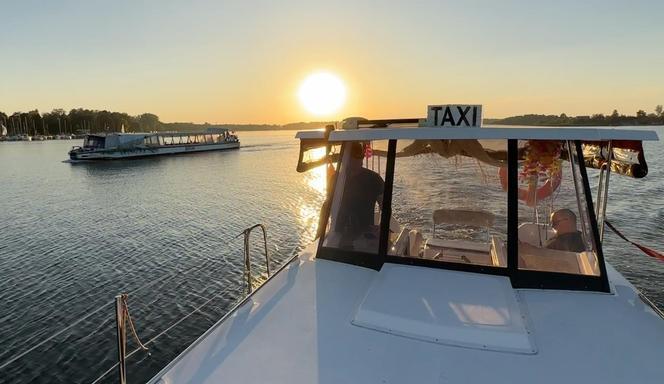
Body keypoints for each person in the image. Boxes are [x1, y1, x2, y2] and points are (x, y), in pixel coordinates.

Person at [334, 142, 385, 245]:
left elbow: (385, 207)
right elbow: (328, 205)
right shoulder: (336, 178)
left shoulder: (374, 179)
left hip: (364, 234)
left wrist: (381, 227)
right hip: (339, 232)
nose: (358, 161)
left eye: (359, 158)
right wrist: (319, 234)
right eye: (352, 158)